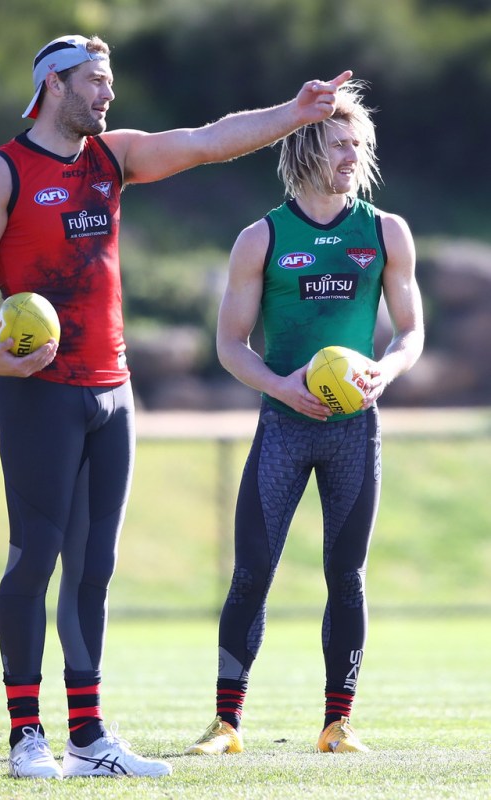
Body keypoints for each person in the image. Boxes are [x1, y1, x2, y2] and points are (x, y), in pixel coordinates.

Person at [0, 33, 352, 780]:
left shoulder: (113, 158)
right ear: (53, 86)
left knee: (94, 567)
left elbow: (206, 142)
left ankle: (89, 734)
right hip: (38, 393)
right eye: (94, 81)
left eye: (109, 81)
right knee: (34, 558)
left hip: (112, 391)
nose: (107, 94)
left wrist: (293, 115)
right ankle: (25, 735)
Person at [185, 80, 424, 757]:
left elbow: (410, 332)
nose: (350, 155)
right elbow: (230, 346)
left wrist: (386, 369)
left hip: (354, 429)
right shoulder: (260, 237)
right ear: (305, 146)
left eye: (358, 144)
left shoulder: (384, 232)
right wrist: (281, 387)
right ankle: (226, 725)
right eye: (337, 143)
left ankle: (336, 724)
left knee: (345, 575)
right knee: (251, 573)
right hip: (282, 426)